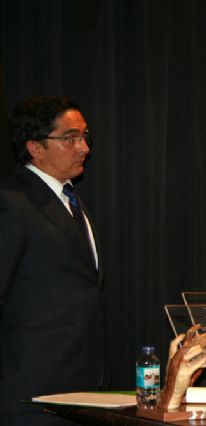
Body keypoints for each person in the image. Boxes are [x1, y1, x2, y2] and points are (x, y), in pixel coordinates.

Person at [0, 96, 105, 425]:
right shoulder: (11, 203)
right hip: (33, 394)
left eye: (85, 136)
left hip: (83, 387)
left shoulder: (70, 199)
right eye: (70, 138)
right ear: (35, 147)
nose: (84, 147)